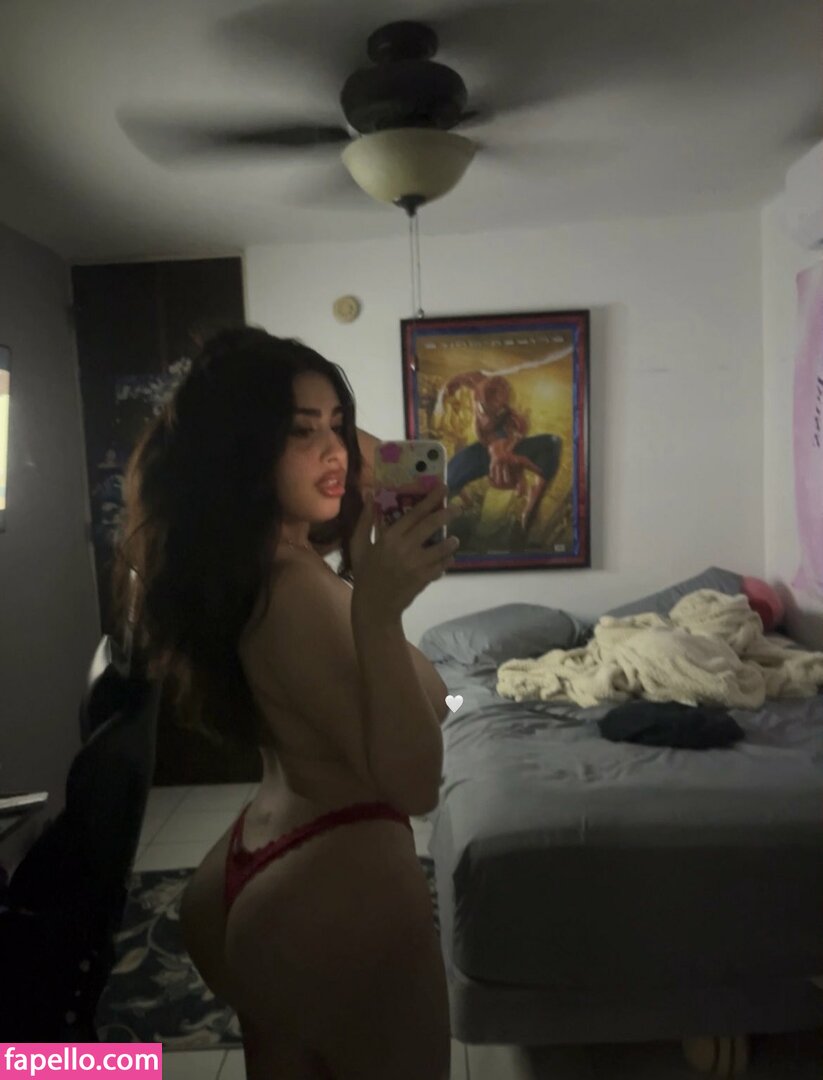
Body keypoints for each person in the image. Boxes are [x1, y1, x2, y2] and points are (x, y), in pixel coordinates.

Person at [112, 327, 460, 1079]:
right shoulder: (294, 588)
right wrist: (379, 613)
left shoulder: (258, 566)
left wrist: (362, 562)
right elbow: (413, 784)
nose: (335, 451)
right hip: (339, 887)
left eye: (338, 425)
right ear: (244, 449)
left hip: (262, 856)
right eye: (302, 431)